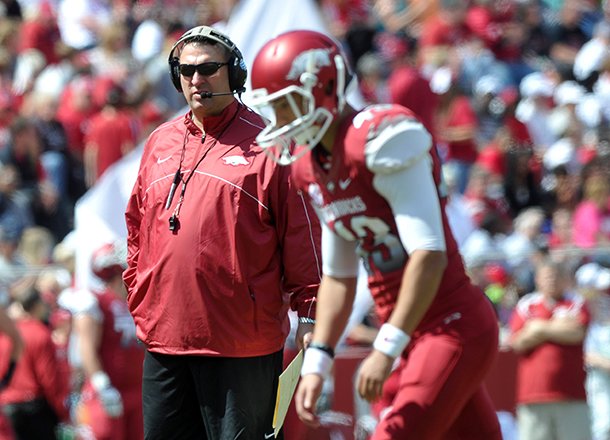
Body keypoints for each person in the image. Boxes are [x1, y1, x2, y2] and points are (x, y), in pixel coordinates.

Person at [249, 29, 501, 439]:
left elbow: (429, 253)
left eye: (288, 106)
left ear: (324, 89)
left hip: (448, 325)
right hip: (409, 333)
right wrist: (318, 360)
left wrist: (387, 347)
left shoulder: (381, 138)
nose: (281, 123)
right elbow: (339, 276)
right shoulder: (309, 167)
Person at [124, 25, 322, 440]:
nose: (197, 80)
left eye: (209, 68)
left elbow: (304, 237)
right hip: (165, 343)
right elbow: (136, 228)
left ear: (235, 75)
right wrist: (141, 297)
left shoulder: (272, 144)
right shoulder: (159, 141)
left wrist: (310, 314)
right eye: (186, 70)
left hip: (241, 347)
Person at [508, 259, 591, 440]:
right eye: (547, 276)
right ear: (538, 279)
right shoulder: (526, 305)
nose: (551, 280)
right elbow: (518, 342)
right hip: (533, 394)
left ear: (565, 279)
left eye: (556, 276)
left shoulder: (576, 303)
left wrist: (538, 328)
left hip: (571, 394)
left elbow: (577, 333)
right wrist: (557, 327)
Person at [71, 241, 144, 440]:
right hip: (109, 390)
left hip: (136, 390)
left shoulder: (134, 302)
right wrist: (101, 384)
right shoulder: (96, 300)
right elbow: (86, 346)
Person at [0, 282, 70, 439]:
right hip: (34, 409)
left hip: (7, 407)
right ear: (36, 305)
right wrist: (62, 412)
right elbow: (49, 379)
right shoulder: (40, 334)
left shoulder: (6, 335)